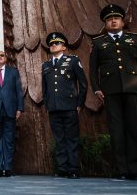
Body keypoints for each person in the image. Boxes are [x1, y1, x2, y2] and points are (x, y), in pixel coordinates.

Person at [89, 4, 137, 181]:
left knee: (133, 129)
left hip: (133, 89)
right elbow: (93, 69)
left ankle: (134, 169)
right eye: (109, 19)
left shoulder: (134, 39)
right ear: (105, 23)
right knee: (116, 131)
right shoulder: (98, 42)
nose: (113, 21)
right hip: (111, 91)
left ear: (122, 21)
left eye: (116, 18)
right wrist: (97, 88)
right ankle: (122, 169)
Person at [42, 32, 87, 179]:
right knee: (59, 139)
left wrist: (79, 104)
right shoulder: (46, 65)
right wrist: (47, 105)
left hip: (70, 106)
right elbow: (45, 88)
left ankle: (73, 168)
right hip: (54, 108)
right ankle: (62, 168)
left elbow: (83, 84)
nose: (53, 45)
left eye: (57, 43)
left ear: (64, 46)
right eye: (51, 44)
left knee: (71, 138)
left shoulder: (72, 61)